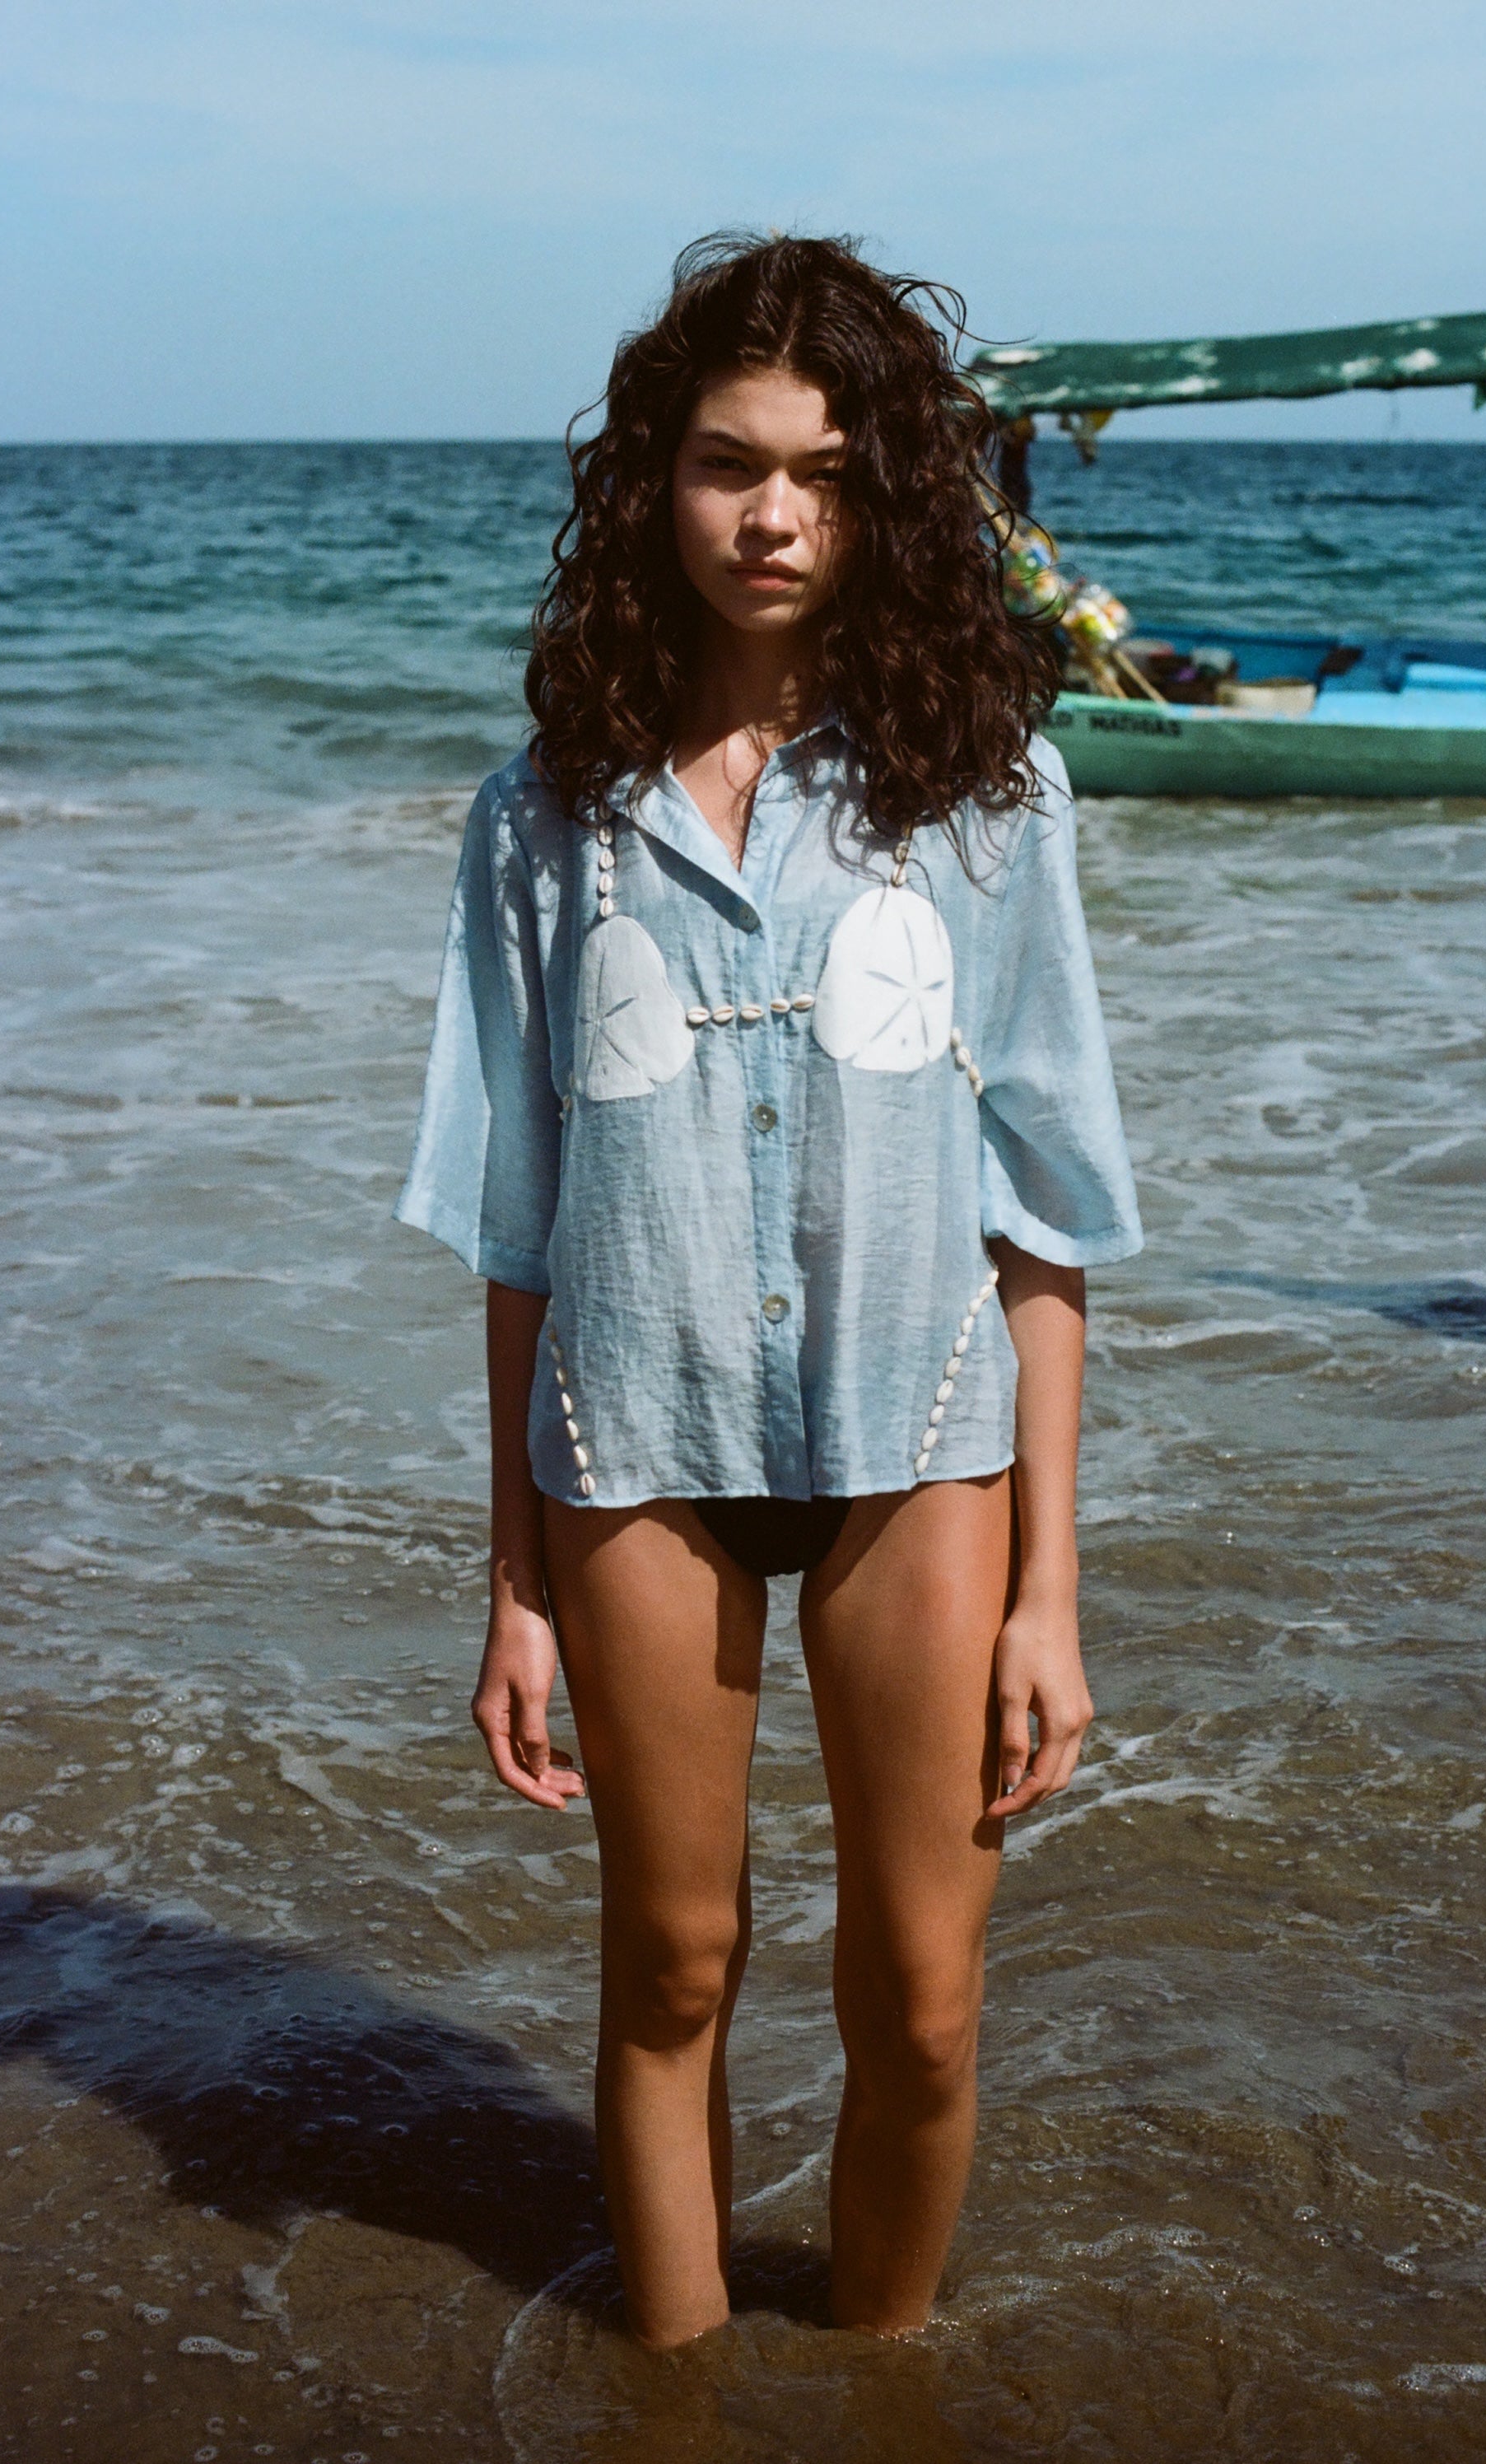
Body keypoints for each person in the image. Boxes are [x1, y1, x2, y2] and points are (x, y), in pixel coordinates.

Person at [396, 233, 1143, 2350]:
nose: (774, 513)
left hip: (922, 1450)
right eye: (728, 462)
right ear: (656, 479)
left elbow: (1046, 1210)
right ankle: (682, 2397)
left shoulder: (985, 797)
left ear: (884, 494)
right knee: (673, 1968)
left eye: (822, 471)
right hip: (631, 1451)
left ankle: (887, 2385)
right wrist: (514, 1574)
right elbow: (517, 1225)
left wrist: (1047, 1595)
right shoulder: (543, 820)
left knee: (918, 1996)